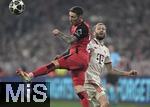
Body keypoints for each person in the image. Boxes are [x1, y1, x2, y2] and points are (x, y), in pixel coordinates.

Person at [16, 6, 90, 107]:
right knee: (79, 90)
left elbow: (70, 40)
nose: (70, 19)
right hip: (81, 60)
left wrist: (59, 33)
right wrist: (62, 55)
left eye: (73, 17)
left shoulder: (83, 27)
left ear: (80, 17)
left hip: (79, 57)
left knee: (54, 65)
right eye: (69, 16)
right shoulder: (73, 27)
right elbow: (73, 46)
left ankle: (30, 76)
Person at [84, 23, 137, 107]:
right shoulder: (89, 44)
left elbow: (111, 70)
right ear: (94, 32)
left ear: (105, 32)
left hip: (97, 80)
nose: (101, 30)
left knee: (101, 105)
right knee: (105, 103)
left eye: (103, 29)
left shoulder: (106, 50)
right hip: (89, 80)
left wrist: (128, 73)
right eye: (99, 29)